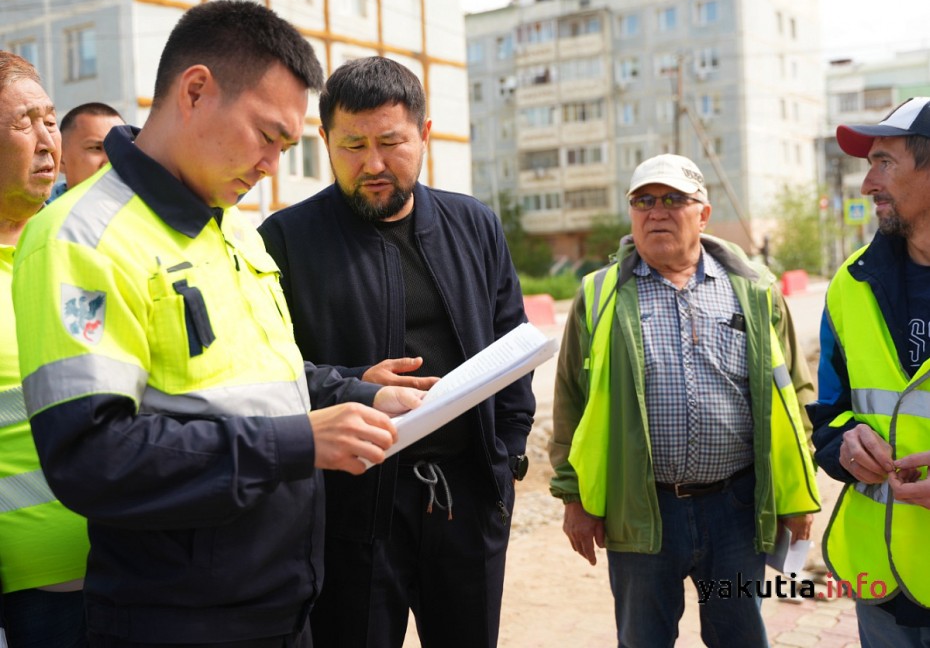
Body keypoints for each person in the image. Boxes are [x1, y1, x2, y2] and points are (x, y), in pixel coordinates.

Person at [12, 2, 423, 647]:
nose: (270, 168)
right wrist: (298, 443)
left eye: (286, 148)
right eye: (266, 136)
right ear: (196, 90)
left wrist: (362, 397)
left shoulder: (233, 228)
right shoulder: (82, 238)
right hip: (178, 620)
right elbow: (92, 457)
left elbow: (267, 382)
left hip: (284, 606)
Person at [259, 56, 535, 648]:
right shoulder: (285, 239)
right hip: (351, 513)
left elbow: (514, 346)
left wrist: (506, 460)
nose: (373, 164)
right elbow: (269, 369)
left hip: (467, 504)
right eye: (352, 145)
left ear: (425, 135)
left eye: (391, 142)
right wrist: (358, 381)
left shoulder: (474, 224)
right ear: (325, 140)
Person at [549, 153, 821, 647]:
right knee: (644, 639)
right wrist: (574, 497)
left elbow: (795, 394)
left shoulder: (754, 290)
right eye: (644, 200)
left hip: (736, 509)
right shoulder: (599, 295)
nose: (657, 211)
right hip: (641, 509)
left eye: (674, 199)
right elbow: (570, 399)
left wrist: (796, 494)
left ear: (703, 213)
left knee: (739, 637)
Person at [807, 97, 930, 646]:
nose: (867, 183)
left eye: (884, 162)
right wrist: (844, 444)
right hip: (880, 585)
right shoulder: (848, 287)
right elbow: (829, 417)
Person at [0, 51, 90, 647]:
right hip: (23, 595)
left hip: (111, 569)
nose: (45, 140)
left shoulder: (77, 247)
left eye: (50, 119)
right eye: (21, 122)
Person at [48, 102, 125, 200]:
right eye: (96, 148)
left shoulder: (144, 208)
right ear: (61, 159)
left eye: (119, 148)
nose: (110, 162)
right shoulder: (37, 214)